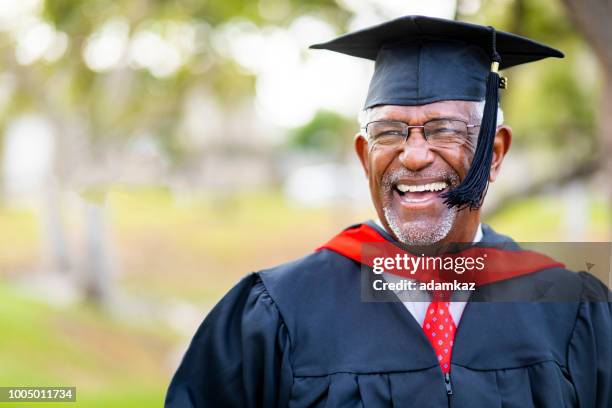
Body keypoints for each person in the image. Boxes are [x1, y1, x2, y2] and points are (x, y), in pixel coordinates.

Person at [165, 15, 611, 407]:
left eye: (444, 129)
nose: (414, 156)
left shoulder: (573, 309)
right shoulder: (275, 313)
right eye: (389, 132)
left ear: (493, 154)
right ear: (364, 156)